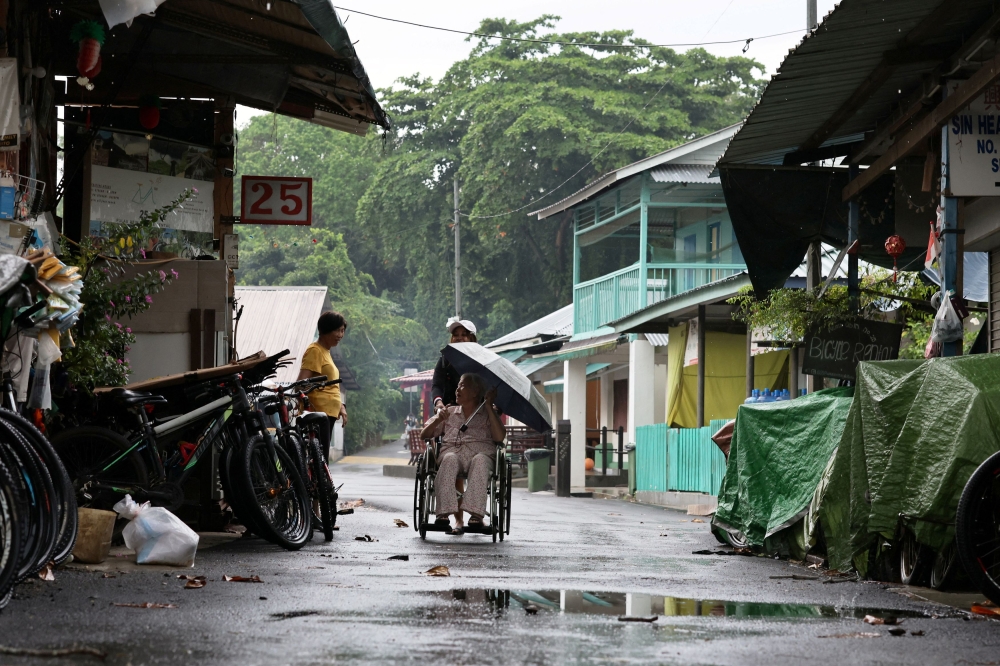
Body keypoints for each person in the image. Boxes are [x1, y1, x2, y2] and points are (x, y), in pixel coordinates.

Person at [421, 373, 505, 535]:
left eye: (463, 386)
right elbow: (424, 435)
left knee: (480, 461)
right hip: (453, 452)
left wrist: (488, 406)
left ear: (475, 392)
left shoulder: (488, 413)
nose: (457, 389)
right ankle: (443, 513)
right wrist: (438, 419)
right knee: (449, 459)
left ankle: (475, 514)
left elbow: (499, 438)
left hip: (481, 453)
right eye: (458, 385)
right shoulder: (449, 412)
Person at [298, 311, 348, 458]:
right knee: (320, 458)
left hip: (329, 414)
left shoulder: (326, 352)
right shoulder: (315, 350)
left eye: (342, 331)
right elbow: (301, 383)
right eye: (337, 330)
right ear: (324, 330)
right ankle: (321, 482)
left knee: (321, 459)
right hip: (319, 413)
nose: (340, 335)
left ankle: (321, 481)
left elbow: (331, 385)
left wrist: (341, 406)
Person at [431, 317, 477, 412]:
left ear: (471, 338)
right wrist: (439, 403)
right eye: (455, 335)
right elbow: (437, 385)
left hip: (475, 412)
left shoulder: (479, 361)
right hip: (449, 411)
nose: (459, 338)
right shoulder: (445, 360)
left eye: (464, 335)